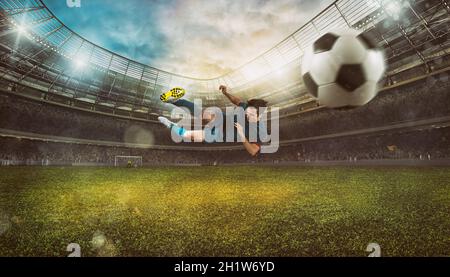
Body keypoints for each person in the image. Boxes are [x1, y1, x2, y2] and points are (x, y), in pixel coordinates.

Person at [157, 85, 268, 156]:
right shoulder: (247, 108)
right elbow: (238, 101)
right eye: (246, 113)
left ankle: (171, 125)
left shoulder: (260, 131)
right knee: (205, 114)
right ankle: (174, 101)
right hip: (225, 120)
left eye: (251, 115)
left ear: (259, 116)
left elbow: (253, 151)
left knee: (188, 135)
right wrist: (225, 93)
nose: (247, 116)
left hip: (223, 134)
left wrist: (242, 135)